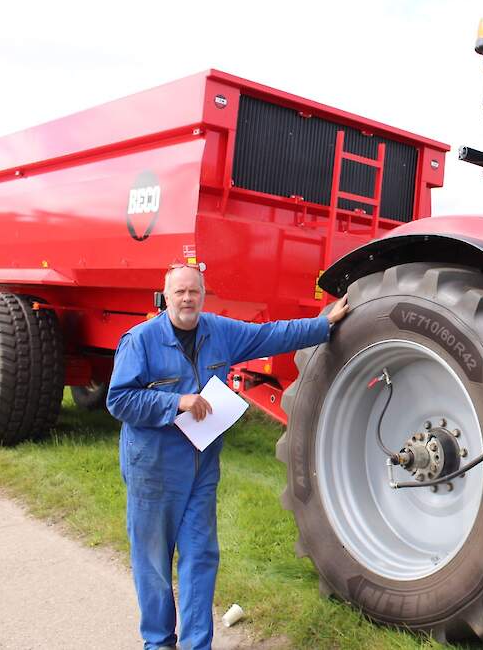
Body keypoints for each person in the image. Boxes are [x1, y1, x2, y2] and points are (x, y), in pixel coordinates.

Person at [107, 264, 349, 650]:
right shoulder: (140, 341)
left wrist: (324, 324)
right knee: (153, 563)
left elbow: (270, 335)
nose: (187, 299)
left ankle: (196, 644)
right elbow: (119, 400)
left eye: (194, 292)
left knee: (200, 556)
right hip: (153, 471)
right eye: (179, 292)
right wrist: (176, 402)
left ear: (203, 295)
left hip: (201, 468)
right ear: (165, 296)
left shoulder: (218, 331)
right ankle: (157, 642)